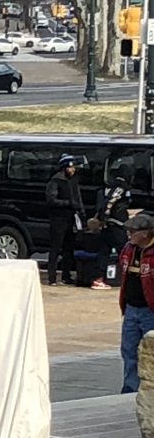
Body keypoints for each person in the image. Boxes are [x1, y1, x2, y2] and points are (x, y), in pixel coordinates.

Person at [118, 214, 154, 393]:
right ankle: (130, 388)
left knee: (151, 351)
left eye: (132, 231)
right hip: (131, 308)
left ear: (145, 233)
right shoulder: (128, 249)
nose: (129, 234)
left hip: (150, 311)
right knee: (128, 349)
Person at [44, 154, 87, 286]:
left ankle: (66, 275)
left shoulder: (73, 181)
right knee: (56, 248)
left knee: (69, 248)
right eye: (71, 167)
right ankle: (52, 277)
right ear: (64, 168)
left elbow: (78, 198)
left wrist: (82, 213)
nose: (73, 170)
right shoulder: (56, 181)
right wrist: (68, 203)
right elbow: (51, 200)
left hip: (71, 218)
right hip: (58, 219)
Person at [93, 166, 134, 290]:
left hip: (106, 225)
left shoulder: (108, 186)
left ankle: (99, 279)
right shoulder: (121, 187)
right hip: (116, 224)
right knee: (125, 251)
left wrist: (101, 220)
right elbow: (110, 202)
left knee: (104, 252)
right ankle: (127, 279)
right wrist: (106, 216)